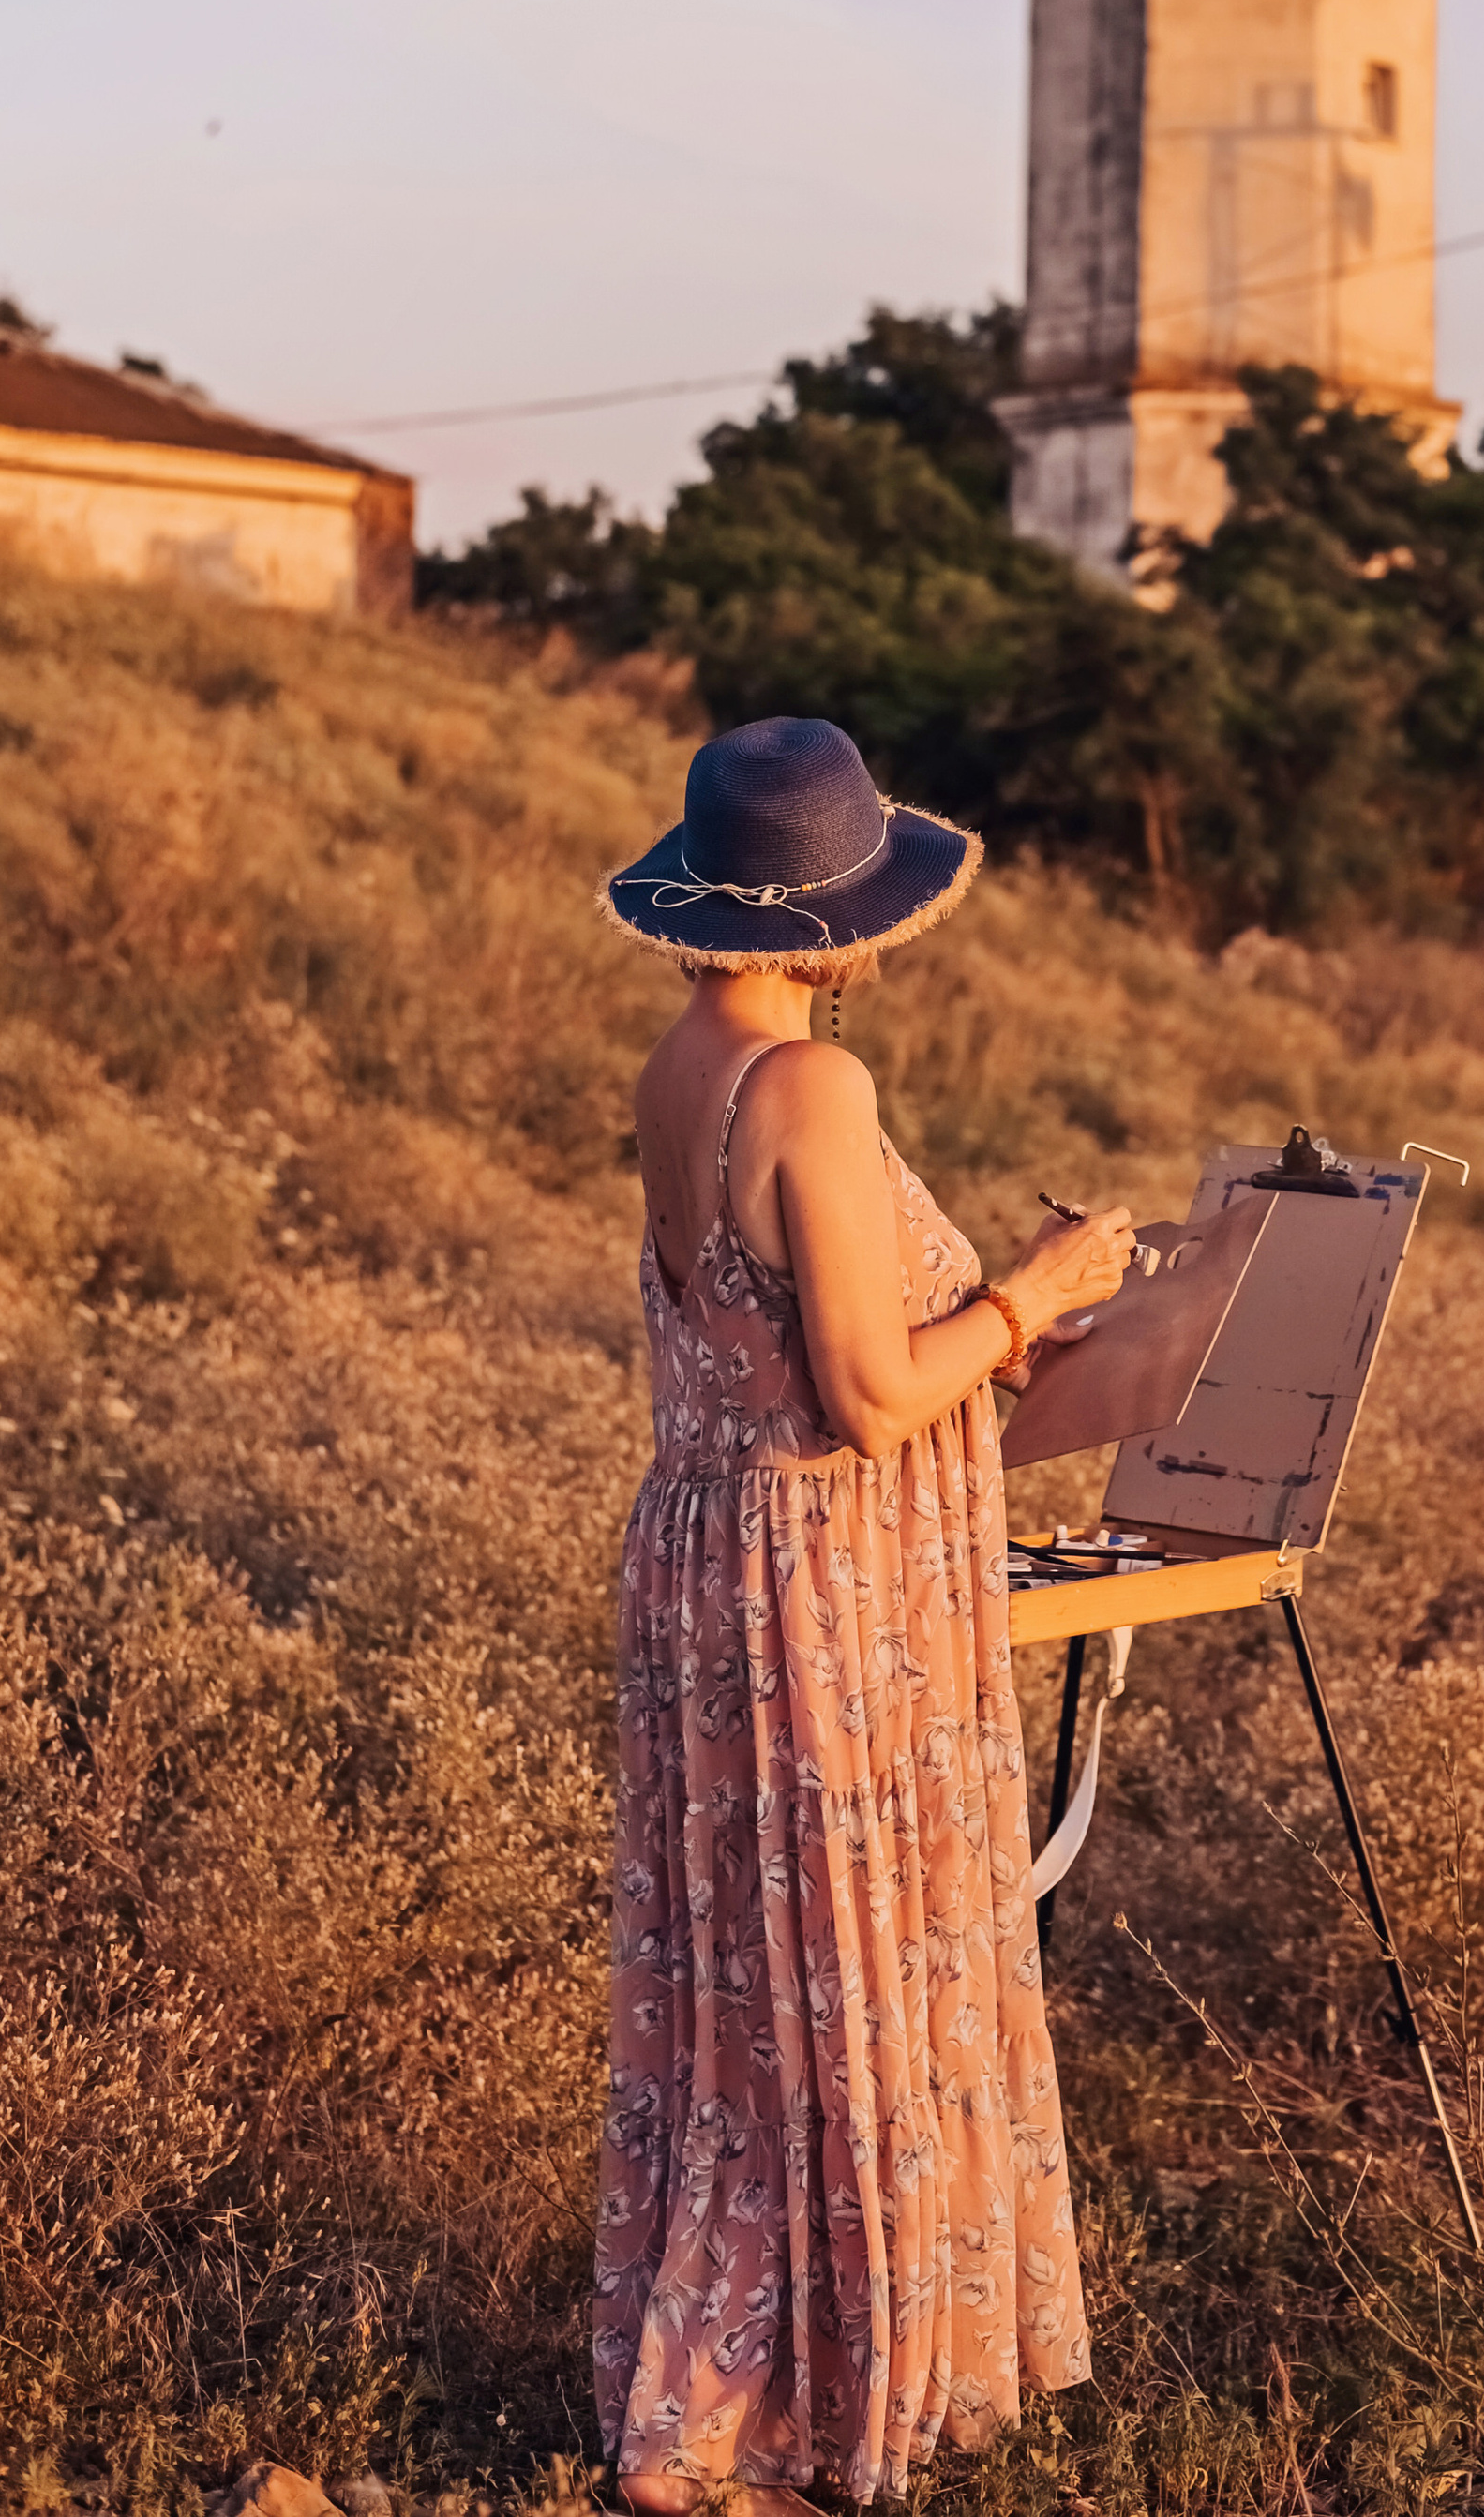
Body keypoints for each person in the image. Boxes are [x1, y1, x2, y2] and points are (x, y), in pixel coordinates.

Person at [591, 714, 1133, 2509]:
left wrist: (983, 1311)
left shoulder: (681, 1066)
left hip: (712, 1554)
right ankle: (837, 2376)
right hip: (823, 1579)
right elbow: (863, 1395)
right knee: (847, 1959)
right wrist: (1033, 1291)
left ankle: (744, 2344)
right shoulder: (812, 1088)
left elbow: (757, 1344)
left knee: (753, 1981)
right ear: (845, 920)